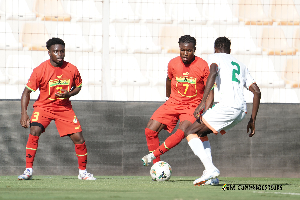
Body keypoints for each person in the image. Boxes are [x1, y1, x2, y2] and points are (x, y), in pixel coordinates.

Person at [184, 36, 261, 186]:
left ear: (215, 49)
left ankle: (210, 169)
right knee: (201, 133)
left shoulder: (214, 57)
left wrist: (202, 102)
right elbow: (257, 92)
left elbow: (212, 73)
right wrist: (252, 120)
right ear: (229, 50)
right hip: (241, 112)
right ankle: (211, 175)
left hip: (227, 106)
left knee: (190, 131)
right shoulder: (241, 65)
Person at [141, 35, 218, 184]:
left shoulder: (202, 66)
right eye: (182, 50)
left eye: (188, 50)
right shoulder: (173, 63)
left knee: (182, 132)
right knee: (150, 130)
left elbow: (210, 91)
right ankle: (157, 165)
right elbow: (169, 79)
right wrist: (167, 99)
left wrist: (206, 109)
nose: (185, 53)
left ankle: (152, 156)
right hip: (173, 103)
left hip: (192, 106)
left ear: (194, 50)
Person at [18, 38, 96, 180]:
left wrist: (69, 94)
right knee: (34, 130)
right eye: (56, 51)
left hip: (64, 108)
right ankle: (28, 170)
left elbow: (78, 86)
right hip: (44, 107)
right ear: (49, 53)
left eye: (62, 51)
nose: (60, 54)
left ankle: (83, 172)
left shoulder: (72, 69)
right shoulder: (40, 70)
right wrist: (24, 113)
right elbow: (26, 92)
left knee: (79, 138)